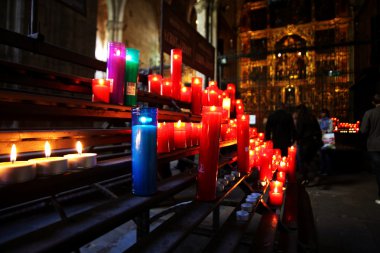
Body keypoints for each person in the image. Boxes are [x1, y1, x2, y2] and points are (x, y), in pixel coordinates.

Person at [294, 104, 323, 185]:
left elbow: (299, 132)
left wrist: (296, 139)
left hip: (304, 143)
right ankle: (315, 177)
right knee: (311, 160)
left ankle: (307, 178)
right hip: (312, 142)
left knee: (304, 161)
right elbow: (318, 130)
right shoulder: (312, 117)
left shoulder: (301, 119)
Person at [360, 93, 380, 205]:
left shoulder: (369, 113)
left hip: (374, 145)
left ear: (373, 102)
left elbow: (363, 130)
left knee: (378, 171)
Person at [318, 109, 335, 177]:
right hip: (322, 137)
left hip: (328, 137)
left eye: (324, 113)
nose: (323, 114)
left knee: (328, 155)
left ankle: (328, 170)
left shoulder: (329, 120)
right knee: (322, 155)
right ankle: (322, 170)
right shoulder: (320, 120)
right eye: (322, 113)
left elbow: (331, 129)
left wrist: (324, 131)